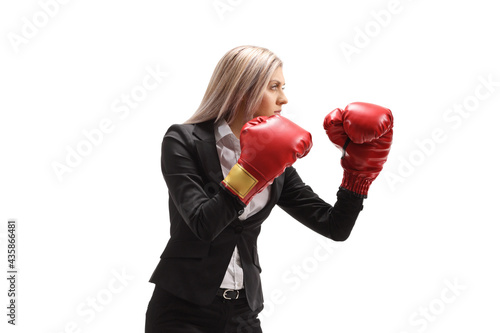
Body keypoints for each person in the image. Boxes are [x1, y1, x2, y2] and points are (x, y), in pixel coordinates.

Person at [145, 45, 393, 332]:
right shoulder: (184, 140)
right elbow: (203, 224)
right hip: (181, 309)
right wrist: (250, 171)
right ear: (242, 90)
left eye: (283, 87)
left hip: (242, 311)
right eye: (274, 87)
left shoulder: (277, 158)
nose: (284, 99)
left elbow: (335, 227)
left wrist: (357, 177)